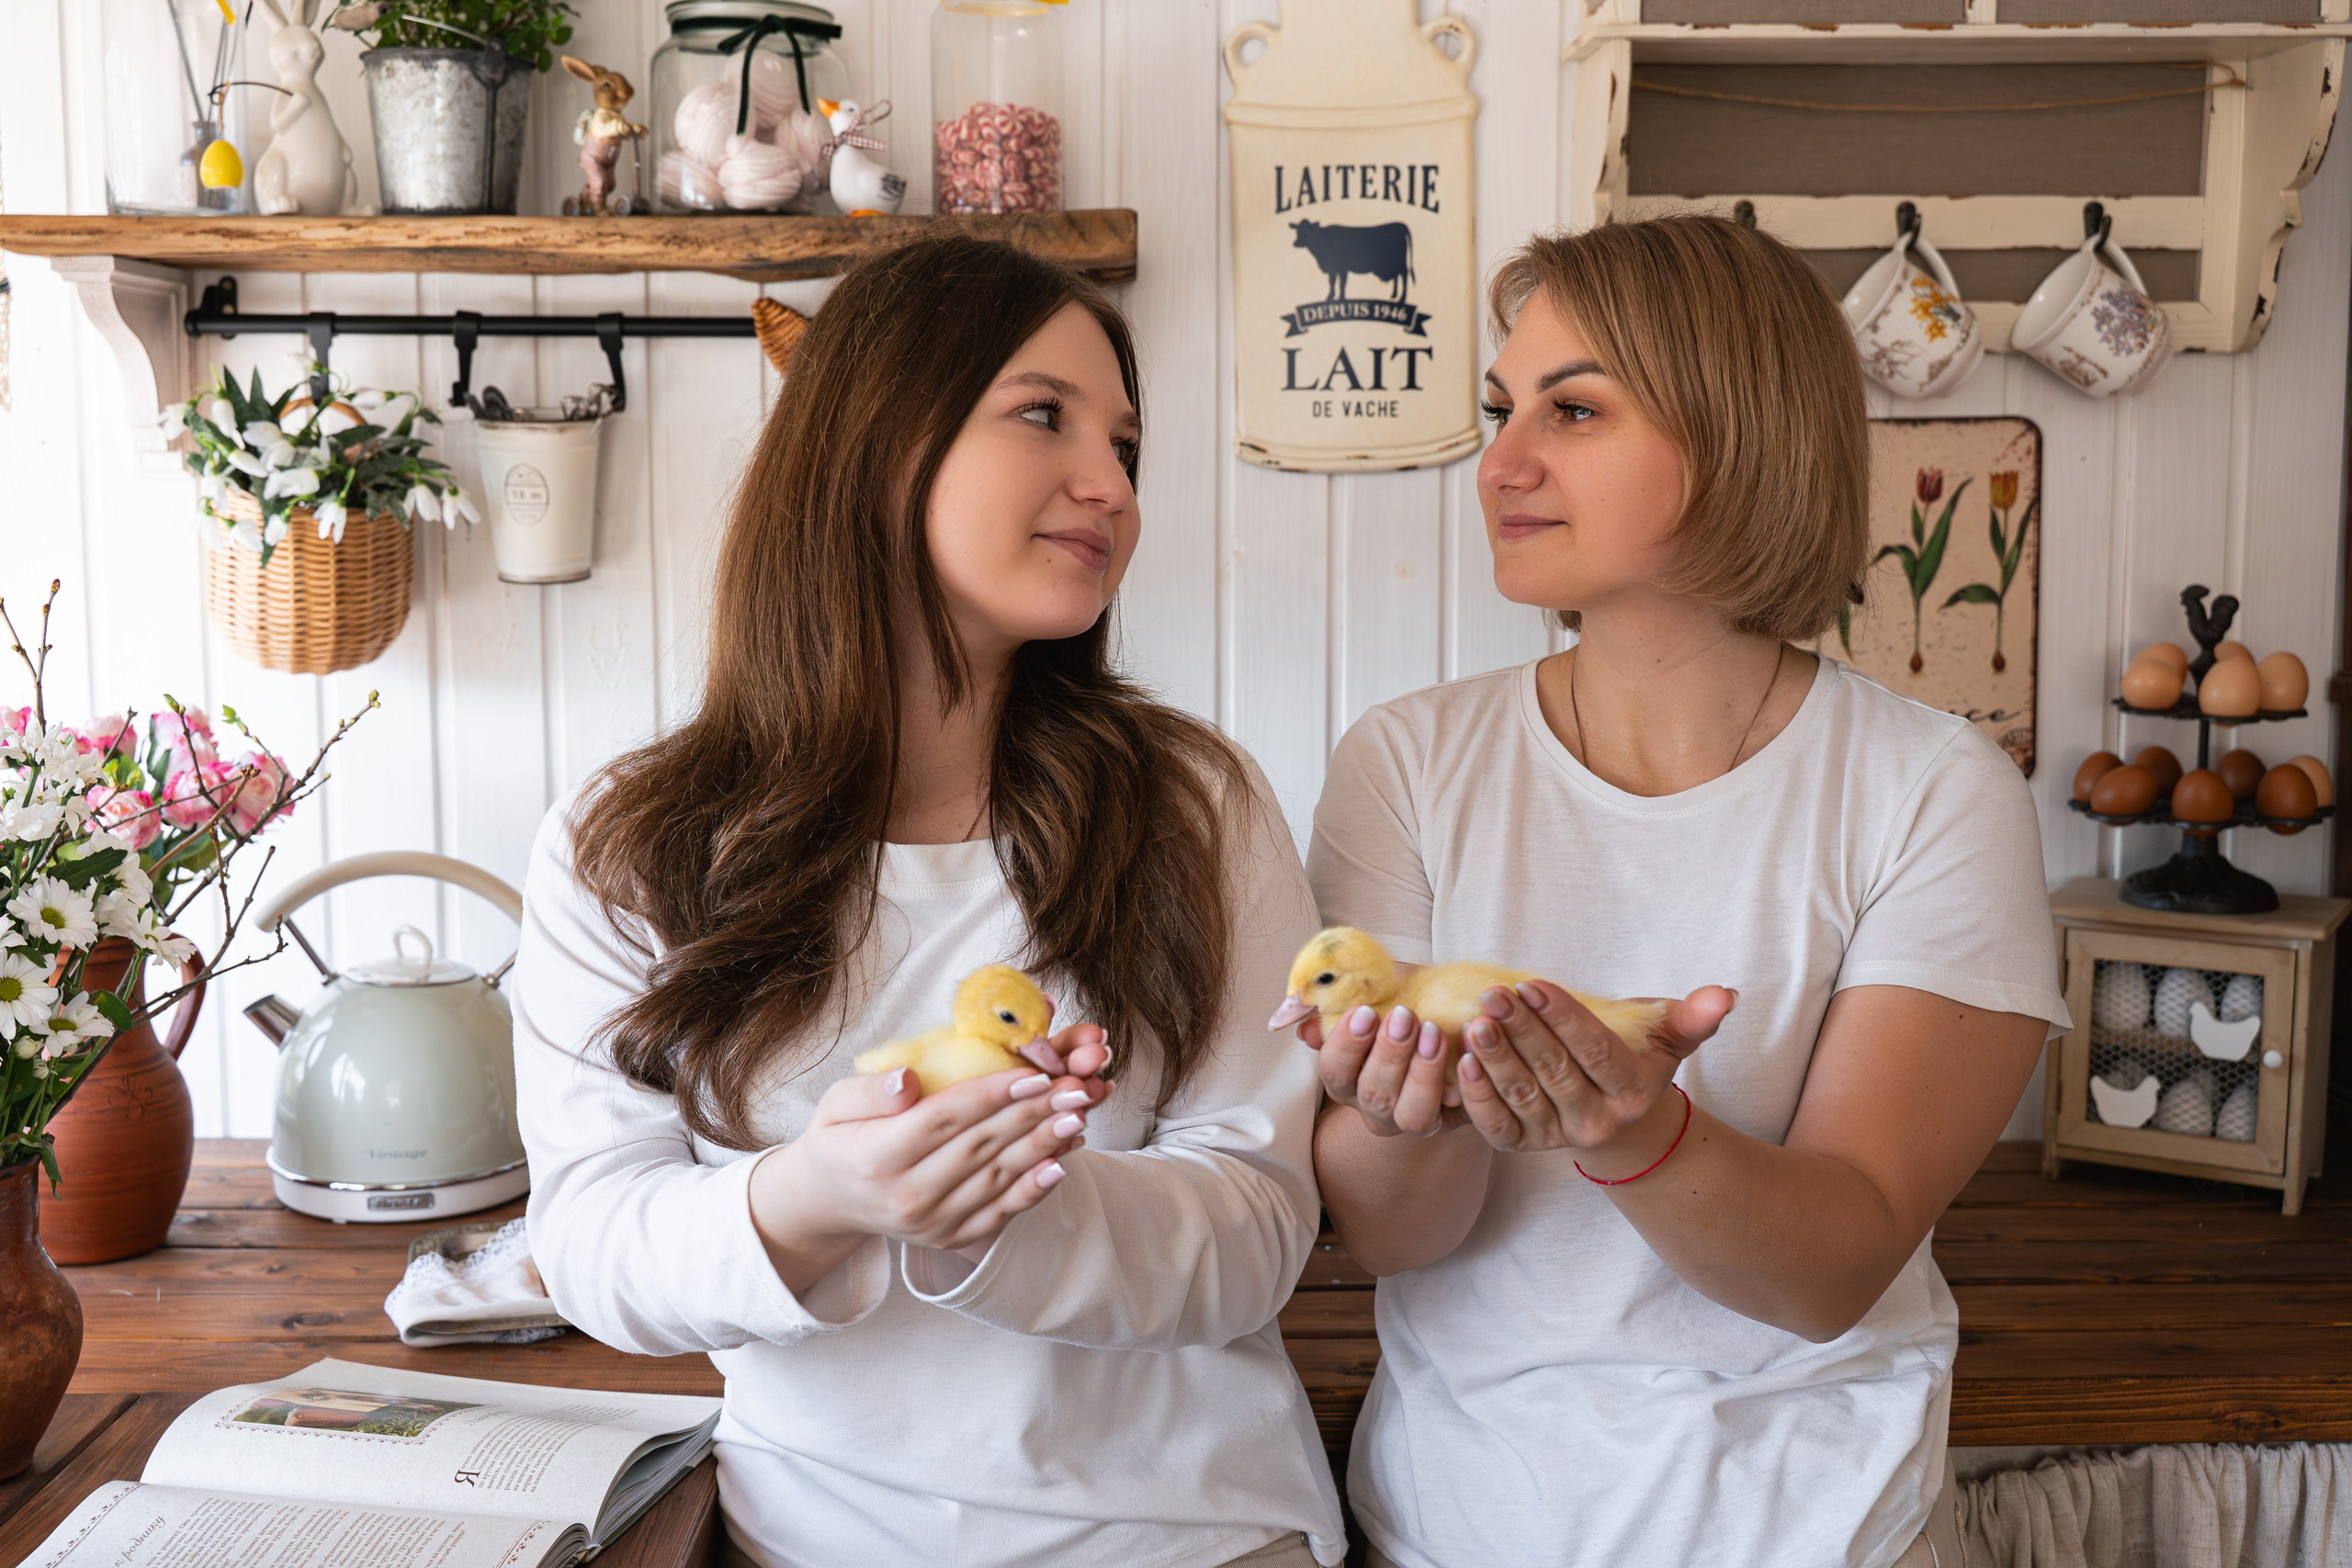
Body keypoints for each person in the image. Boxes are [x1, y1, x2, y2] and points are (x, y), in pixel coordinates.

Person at [514, 235, 1345, 1568]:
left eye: (1125, 443)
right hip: (812, 1535)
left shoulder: (1194, 808)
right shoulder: (631, 846)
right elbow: (593, 1242)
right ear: (878, 440)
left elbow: (1258, 1223)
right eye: (1044, 415)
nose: (1112, 486)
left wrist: (1019, 1203)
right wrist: (818, 1198)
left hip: (1190, 1534)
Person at [1301, 215, 2070, 1568]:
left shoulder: (1934, 792)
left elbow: (1833, 1267)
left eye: (1575, 409)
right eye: (1503, 410)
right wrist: (1401, 1117)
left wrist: (1635, 1129)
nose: (1503, 464)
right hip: (1463, 1521)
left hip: (1824, 1527)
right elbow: (1391, 1234)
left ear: (1741, 437)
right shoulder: (1408, 763)